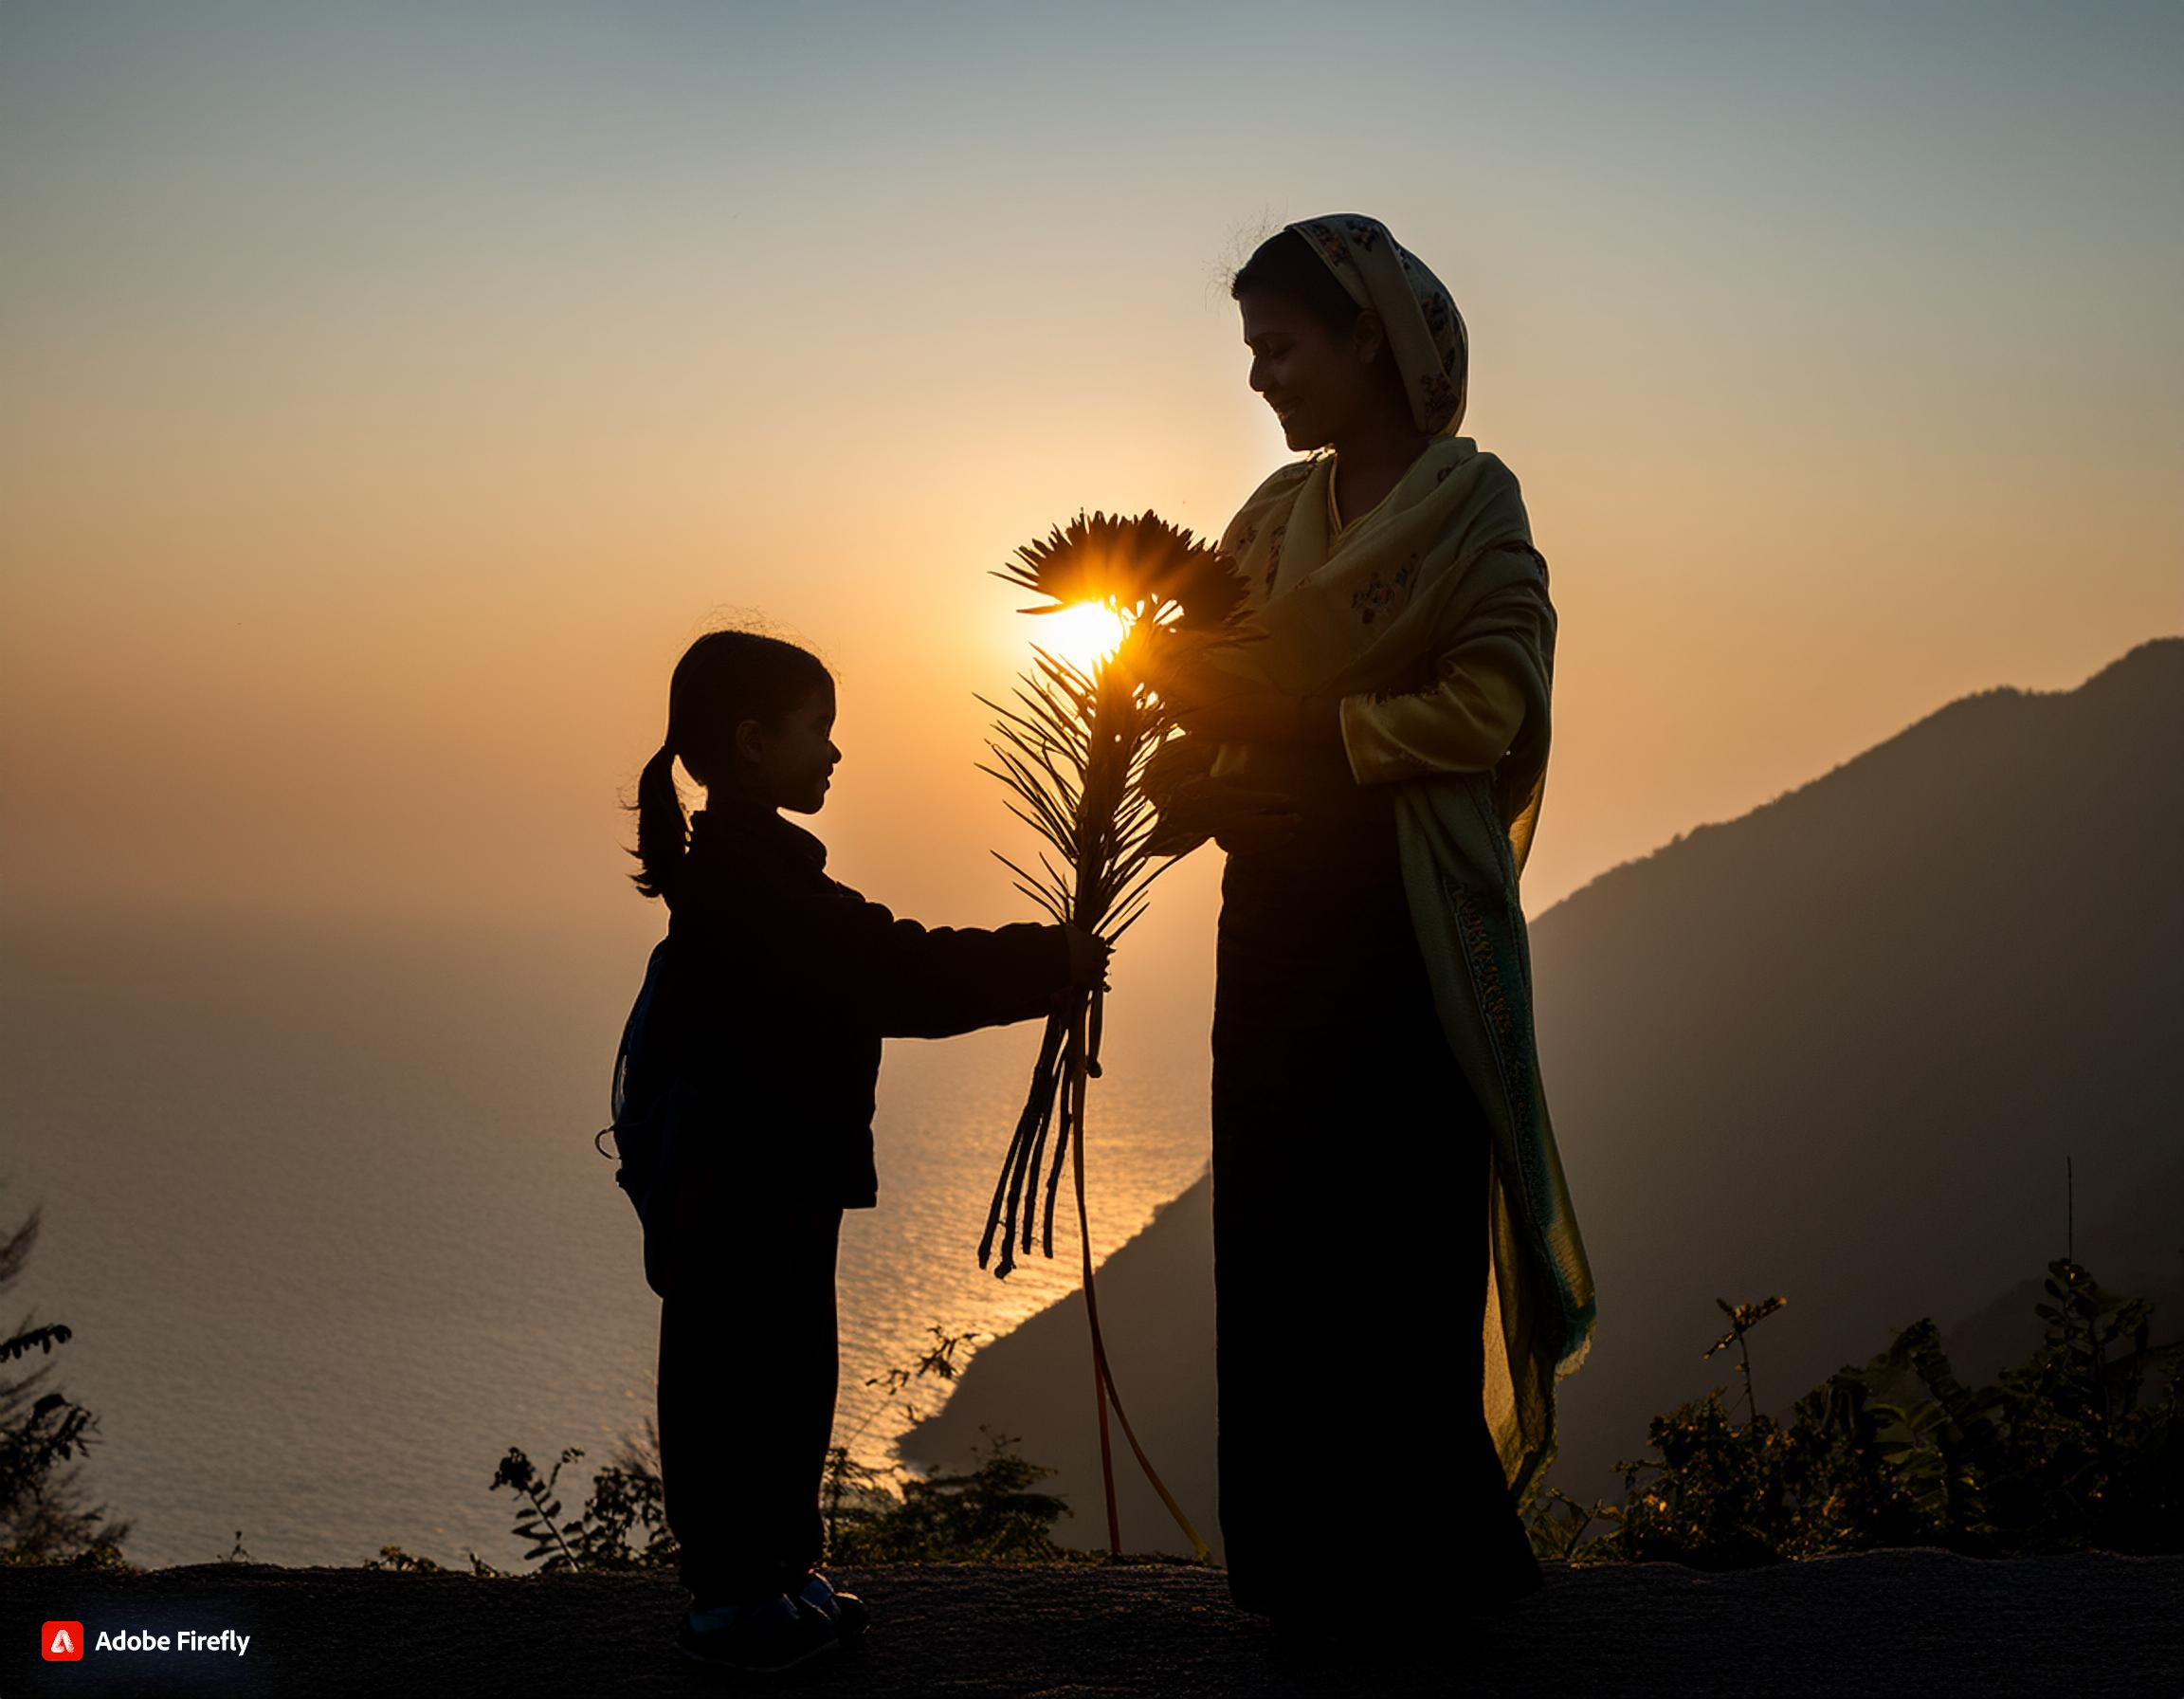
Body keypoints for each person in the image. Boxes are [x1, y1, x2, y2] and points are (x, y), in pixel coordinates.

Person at [1127, 216, 1596, 1638]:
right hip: (1271, 917)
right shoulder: (1273, 517)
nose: (1263, 378)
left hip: (1403, 925)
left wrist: (1289, 735)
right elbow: (1217, 689)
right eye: (1252, 353)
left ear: (1369, 339)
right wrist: (1187, 775)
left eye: (1282, 346)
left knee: (1399, 1228)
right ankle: (1299, 1562)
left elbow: (1489, 708)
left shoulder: (1474, 505)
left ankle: (1422, 1560)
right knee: (1279, 1226)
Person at [614, 629, 1107, 1674]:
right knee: (738, 1384)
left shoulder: (747, 872)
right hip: (744, 1179)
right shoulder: (759, 890)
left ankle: (776, 1574)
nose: (834, 754)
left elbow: (882, 964)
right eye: (817, 731)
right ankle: (730, 1598)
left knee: (783, 1377)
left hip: (766, 1177)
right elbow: (898, 971)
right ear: (751, 741)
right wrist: (1044, 958)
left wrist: (1038, 965)